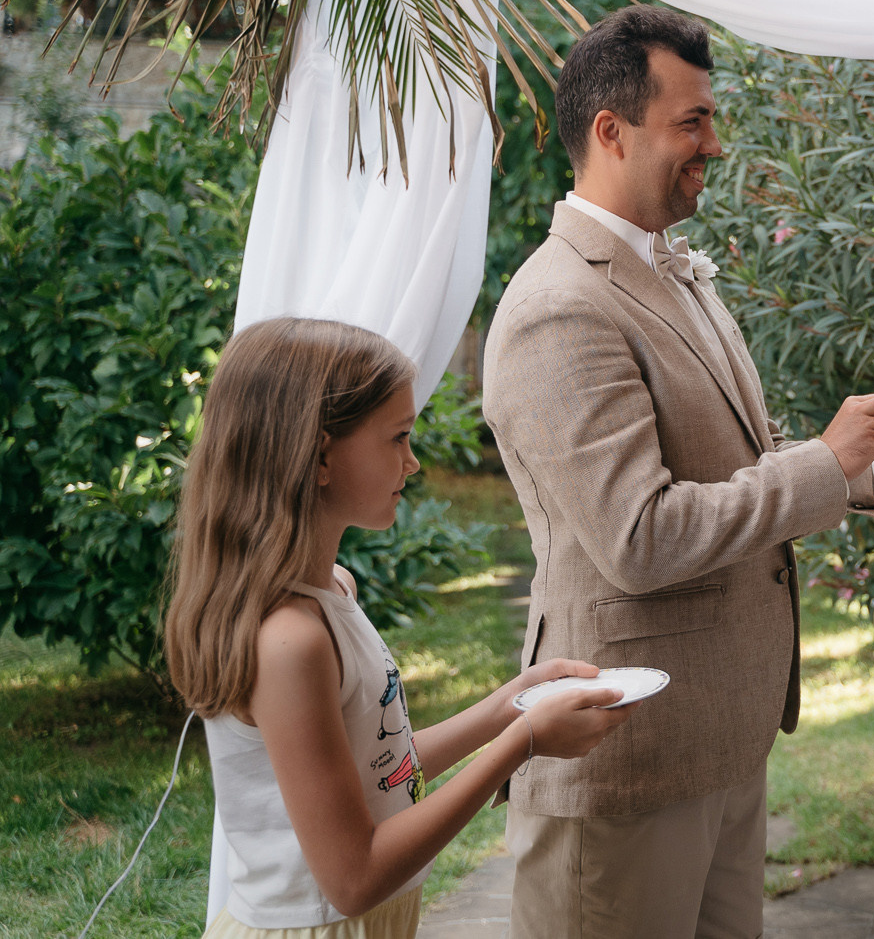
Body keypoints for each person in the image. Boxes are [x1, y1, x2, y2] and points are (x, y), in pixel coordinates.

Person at [481, 5, 874, 939]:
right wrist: (824, 460)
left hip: (720, 741)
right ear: (610, 132)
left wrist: (871, 473)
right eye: (691, 122)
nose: (715, 144)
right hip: (628, 755)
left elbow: (732, 470)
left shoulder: (675, 272)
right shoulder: (559, 306)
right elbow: (641, 536)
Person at [165, 316, 633, 939]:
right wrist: (520, 744)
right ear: (321, 454)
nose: (412, 463)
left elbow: (384, 765)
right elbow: (353, 878)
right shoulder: (289, 640)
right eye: (397, 438)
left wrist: (512, 704)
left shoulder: (332, 588)